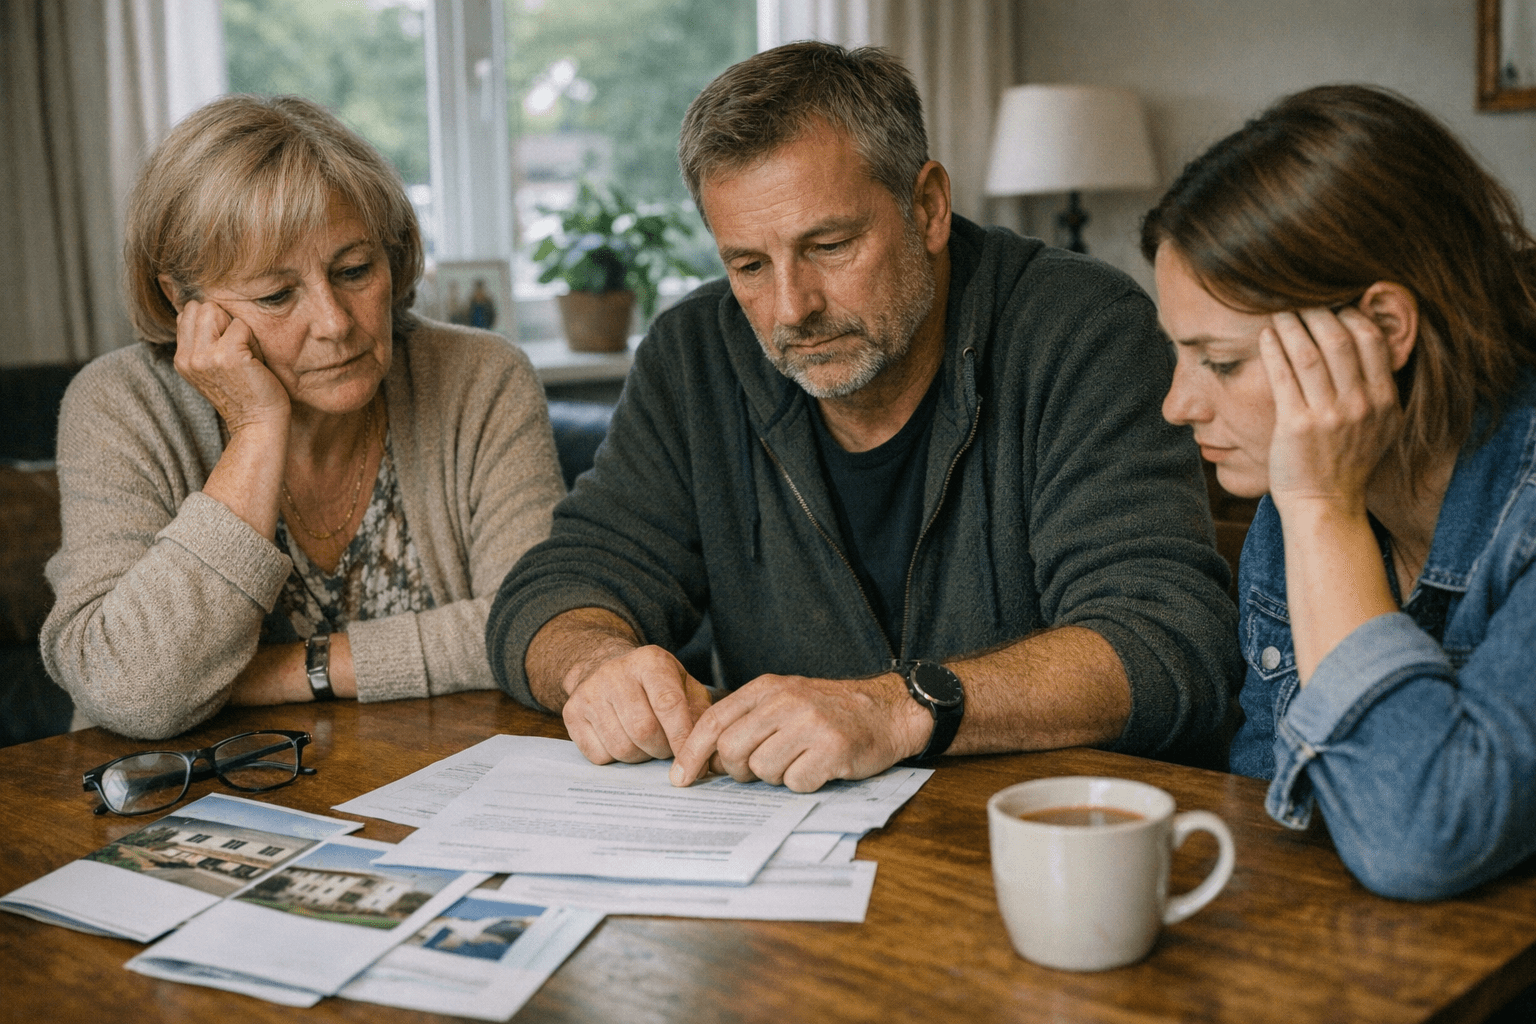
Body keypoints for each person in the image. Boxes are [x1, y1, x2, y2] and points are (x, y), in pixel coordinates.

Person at [486, 42, 1239, 793]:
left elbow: (1168, 638)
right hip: (788, 859)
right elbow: (555, 587)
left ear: (929, 206)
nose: (792, 309)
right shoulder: (693, 354)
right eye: (748, 265)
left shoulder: (1083, 329)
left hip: (1042, 841)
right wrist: (596, 666)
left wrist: (897, 709)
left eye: (831, 245)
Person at [42, 95, 565, 740]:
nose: (335, 322)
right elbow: (132, 692)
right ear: (184, 302)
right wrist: (257, 432)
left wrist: (284, 672)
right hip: (188, 804)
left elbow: (544, 625)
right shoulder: (120, 405)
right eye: (275, 294)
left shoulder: (482, 377)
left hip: (438, 785)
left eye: (354, 270)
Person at [1146, 84, 1536, 900]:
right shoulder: (1299, 497)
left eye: (1219, 362)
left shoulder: (1315, 496)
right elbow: (1270, 810)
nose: (1177, 405)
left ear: (1384, 329)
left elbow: (1419, 838)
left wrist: (1325, 513)